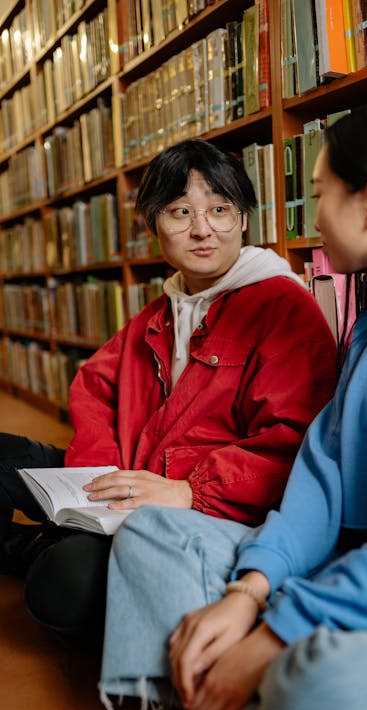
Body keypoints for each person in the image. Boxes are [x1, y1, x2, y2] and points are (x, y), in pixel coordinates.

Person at [99, 100, 367, 710]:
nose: (310, 218)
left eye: (319, 194)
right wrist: (251, 592)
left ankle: (258, 695)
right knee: (153, 532)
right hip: (359, 566)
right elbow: (322, 481)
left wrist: (276, 632)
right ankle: (236, 702)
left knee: (325, 688)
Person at [0, 138, 337, 643]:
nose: (202, 229)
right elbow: (95, 385)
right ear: (155, 224)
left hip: (198, 508)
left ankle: (40, 545)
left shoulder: (283, 308)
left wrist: (189, 491)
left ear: (244, 220)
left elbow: (293, 440)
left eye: (220, 210)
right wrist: (101, 472)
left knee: (61, 592)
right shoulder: (163, 308)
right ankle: (58, 535)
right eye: (180, 212)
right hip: (124, 483)